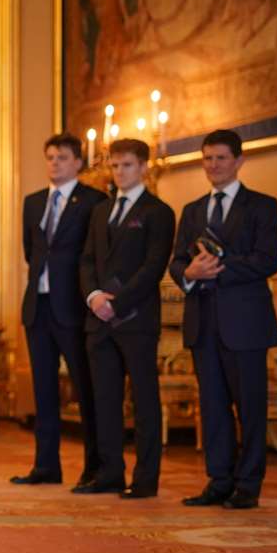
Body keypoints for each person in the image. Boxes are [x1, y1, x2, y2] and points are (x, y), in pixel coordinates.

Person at [169, 129, 277, 510]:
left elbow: (267, 260)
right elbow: (177, 262)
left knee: (250, 406)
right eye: (207, 159)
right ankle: (218, 481)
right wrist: (190, 274)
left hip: (246, 324)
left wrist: (215, 269)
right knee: (213, 405)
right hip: (203, 321)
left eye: (220, 158)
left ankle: (248, 484)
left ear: (238, 161)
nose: (212, 165)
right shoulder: (193, 210)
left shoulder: (263, 206)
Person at [77, 139, 175, 497]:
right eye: (115, 166)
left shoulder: (158, 212)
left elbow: (153, 266)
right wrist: (93, 297)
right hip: (98, 319)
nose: (119, 172)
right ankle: (109, 473)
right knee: (104, 399)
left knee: (144, 400)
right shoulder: (100, 211)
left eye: (128, 165)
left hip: (136, 319)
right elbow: (87, 260)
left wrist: (116, 303)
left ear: (144, 168)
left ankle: (146, 479)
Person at [12, 132, 109, 486]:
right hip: (38, 307)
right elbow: (31, 252)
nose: (55, 163)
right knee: (44, 391)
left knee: (85, 388)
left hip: (74, 307)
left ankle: (94, 467)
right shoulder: (34, 202)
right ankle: (46, 466)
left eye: (63, 157)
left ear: (78, 163)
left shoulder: (94, 201)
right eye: (50, 157)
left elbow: (93, 254)